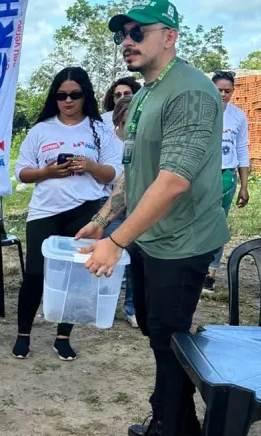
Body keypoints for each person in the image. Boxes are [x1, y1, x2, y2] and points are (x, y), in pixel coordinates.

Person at [77, 0, 229, 436]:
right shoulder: (145, 93)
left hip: (183, 241)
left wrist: (117, 241)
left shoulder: (191, 92)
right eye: (122, 33)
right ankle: (184, 425)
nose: (127, 40)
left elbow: (174, 180)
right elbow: (134, 170)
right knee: (158, 333)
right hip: (150, 236)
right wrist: (103, 219)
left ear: (170, 36)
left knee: (170, 339)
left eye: (138, 32)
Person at [12, 66, 123, 362]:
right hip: (45, 211)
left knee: (74, 276)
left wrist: (90, 166)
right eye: (61, 96)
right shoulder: (41, 130)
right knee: (35, 274)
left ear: (85, 95)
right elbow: (22, 172)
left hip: (85, 210)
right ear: (54, 98)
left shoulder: (98, 130)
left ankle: (63, 337)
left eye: (75, 94)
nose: (68, 101)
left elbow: (115, 173)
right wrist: (46, 172)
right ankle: (23, 334)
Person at [203, 70, 251, 293]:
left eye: (227, 91)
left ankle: (210, 274)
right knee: (198, 222)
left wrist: (244, 185)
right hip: (203, 175)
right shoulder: (200, 112)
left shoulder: (238, 116)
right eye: (219, 90)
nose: (223, 94)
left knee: (218, 224)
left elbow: (242, 149)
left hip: (226, 175)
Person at [101, 78, 142, 328]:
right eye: (127, 123)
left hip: (139, 206)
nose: (132, 128)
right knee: (109, 256)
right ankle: (103, 304)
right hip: (110, 205)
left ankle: (132, 307)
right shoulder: (106, 140)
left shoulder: (145, 141)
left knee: (135, 257)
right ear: (117, 121)